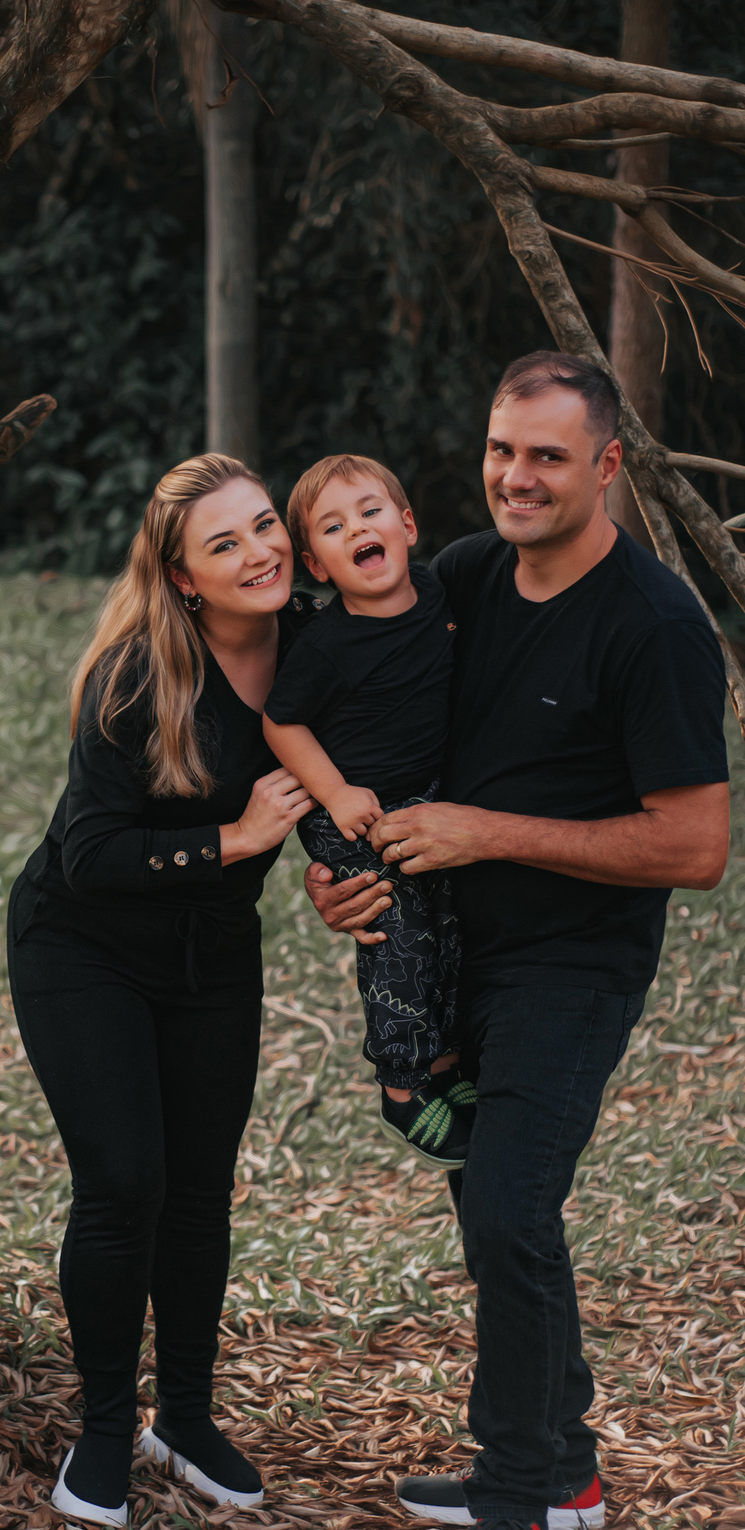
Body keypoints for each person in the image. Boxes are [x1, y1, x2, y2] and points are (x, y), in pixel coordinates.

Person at [304, 352, 730, 1530]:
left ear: (608, 467)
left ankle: (513, 1512)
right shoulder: (469, 581)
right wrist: (340, 874)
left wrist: (488, 831)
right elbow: (376, 745)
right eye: (501, 449)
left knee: (506, 1202)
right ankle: (569, 1462)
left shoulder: (654, 626)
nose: (516, 476)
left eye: (548, 455)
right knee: (497, 1204)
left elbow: (694, 847)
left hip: (574, 964)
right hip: (449, 948)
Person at [7, 453, 320, 1528]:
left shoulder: (319, 645)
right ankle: (103, 1427)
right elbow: (90, 853)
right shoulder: (138, 676)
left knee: (198, 1188)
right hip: (82, 946)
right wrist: (233, 839)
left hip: (213, 957)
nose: (259, 550)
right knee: (125, 1181)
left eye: (266, 524)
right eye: (224, 543)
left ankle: (183, 1415)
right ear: (185, 579)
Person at [261, 452, 468, 1167]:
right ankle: (403, 1084)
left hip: (424, 799)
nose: (358, 530)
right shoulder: (326, 644)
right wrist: (335, 792)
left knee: (450, 920)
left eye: (371, 512)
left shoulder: (441, 598)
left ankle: (443, 1065)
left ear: (407, 526)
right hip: (350, 809)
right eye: (334, 526)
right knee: (400, 929)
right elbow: (281, 724)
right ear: (317, 564)